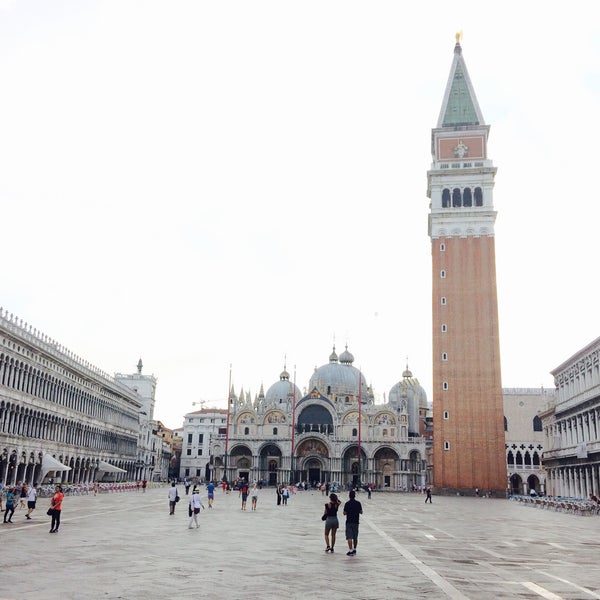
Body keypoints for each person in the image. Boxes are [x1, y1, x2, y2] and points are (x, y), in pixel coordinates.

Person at [343, 490, 363, 556]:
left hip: (349, 522)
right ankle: (354, 549)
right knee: (355, 537)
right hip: (356, 522)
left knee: (349, 537)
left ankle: (350, 550)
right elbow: (361, 512)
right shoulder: (358, 503)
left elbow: (344, 513)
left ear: (349, 496)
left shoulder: (347, 503)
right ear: (355, 496)